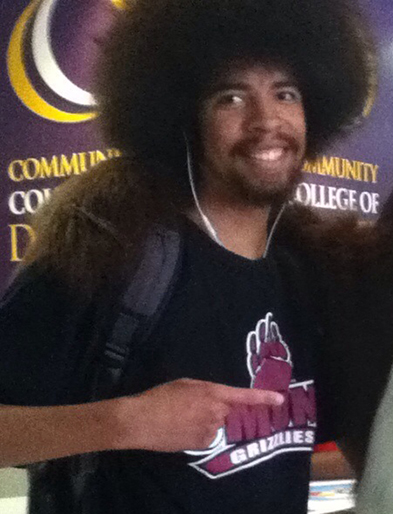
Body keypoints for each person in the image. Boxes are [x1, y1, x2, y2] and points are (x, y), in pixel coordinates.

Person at [0, 0, 373, 512]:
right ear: (183, 118)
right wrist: (127, 421)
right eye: (231, 97)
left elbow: (296, 455)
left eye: (285, 93)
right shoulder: (111, 254)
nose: (267, 120)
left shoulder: (309, 270)